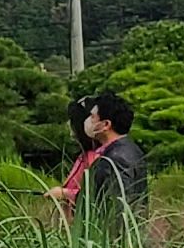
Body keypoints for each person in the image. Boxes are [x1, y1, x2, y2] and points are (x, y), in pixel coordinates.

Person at [54, 89, 148, 228]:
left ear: (105, 125)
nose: (88, 122)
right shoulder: (130, 149)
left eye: (92, 117)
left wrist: (67, 195)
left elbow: (113, 209)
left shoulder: (114, 160)